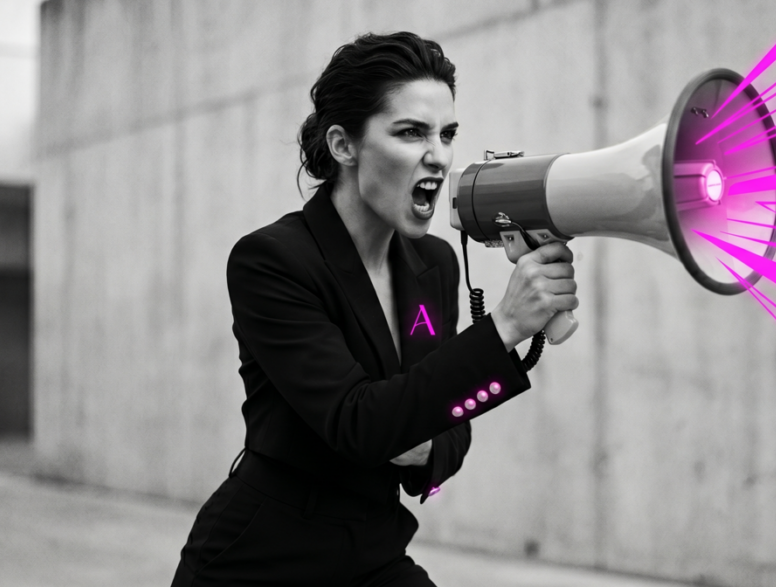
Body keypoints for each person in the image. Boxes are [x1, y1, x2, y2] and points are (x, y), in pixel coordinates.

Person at [170, 31, 578, 586]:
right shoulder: (271, 260)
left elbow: (448, 417)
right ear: (344, 146)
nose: (438, 155)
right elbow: (358, 423)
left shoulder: (435, 262)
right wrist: (504, 325)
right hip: (261, 559)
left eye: (447, 133)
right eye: (411, 132)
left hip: (374, 550)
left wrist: (426, 444)